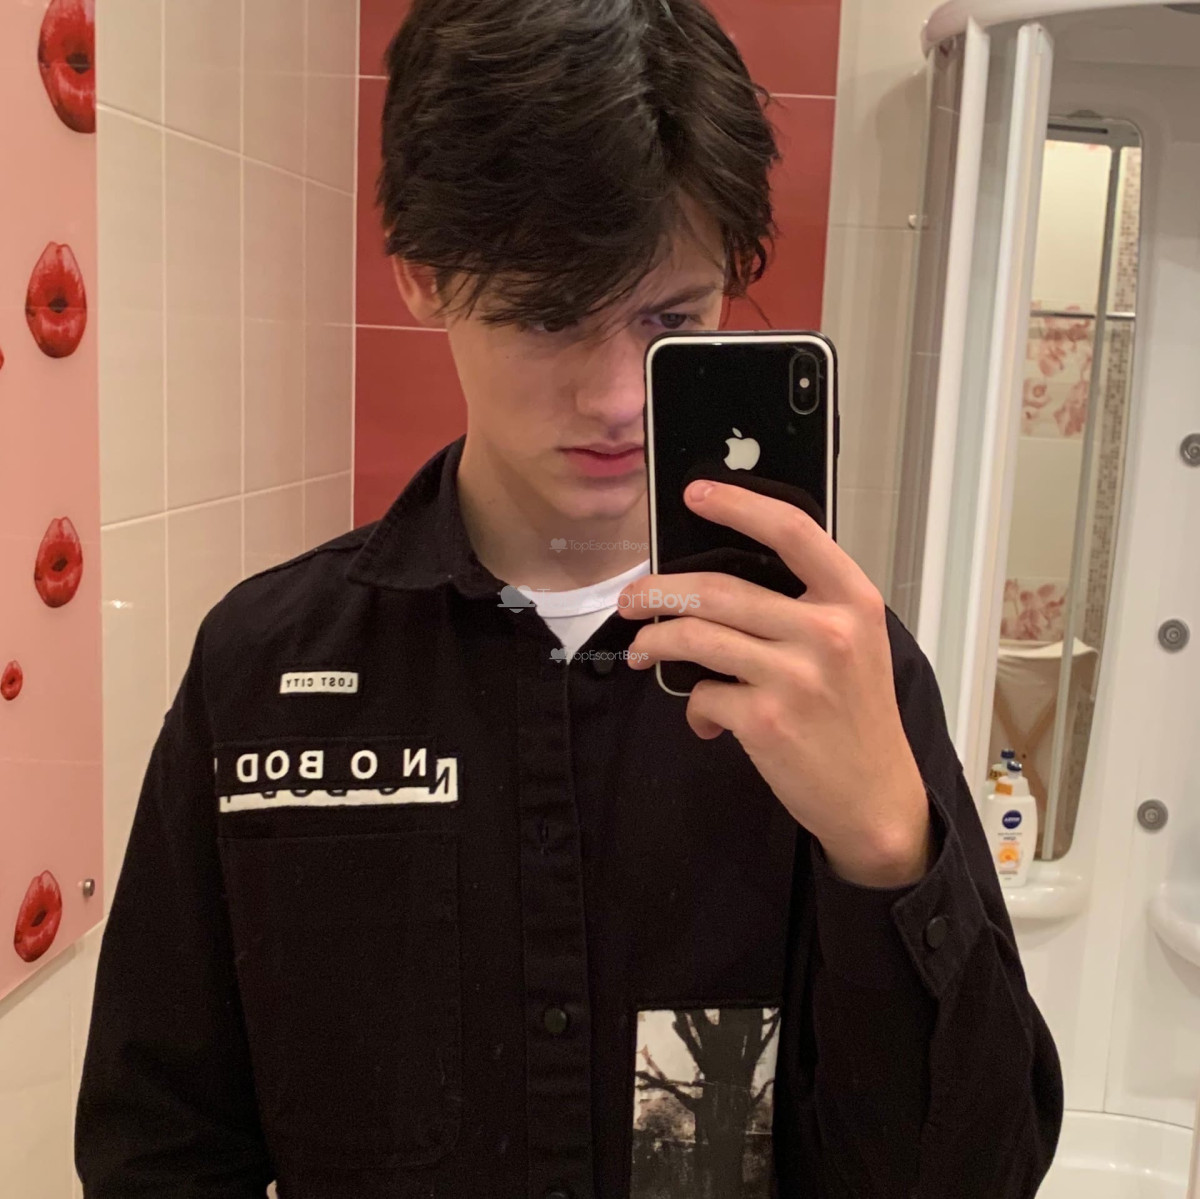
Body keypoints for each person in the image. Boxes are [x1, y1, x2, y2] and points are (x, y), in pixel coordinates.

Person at [75, 1, 1063, 1196]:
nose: (615, 399)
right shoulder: (262, 668)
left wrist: (890, 848)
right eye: (548, 313)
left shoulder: (837, 671)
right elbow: (161, 1143)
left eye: (670, 319)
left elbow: (972, 1174)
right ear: (422, 275)